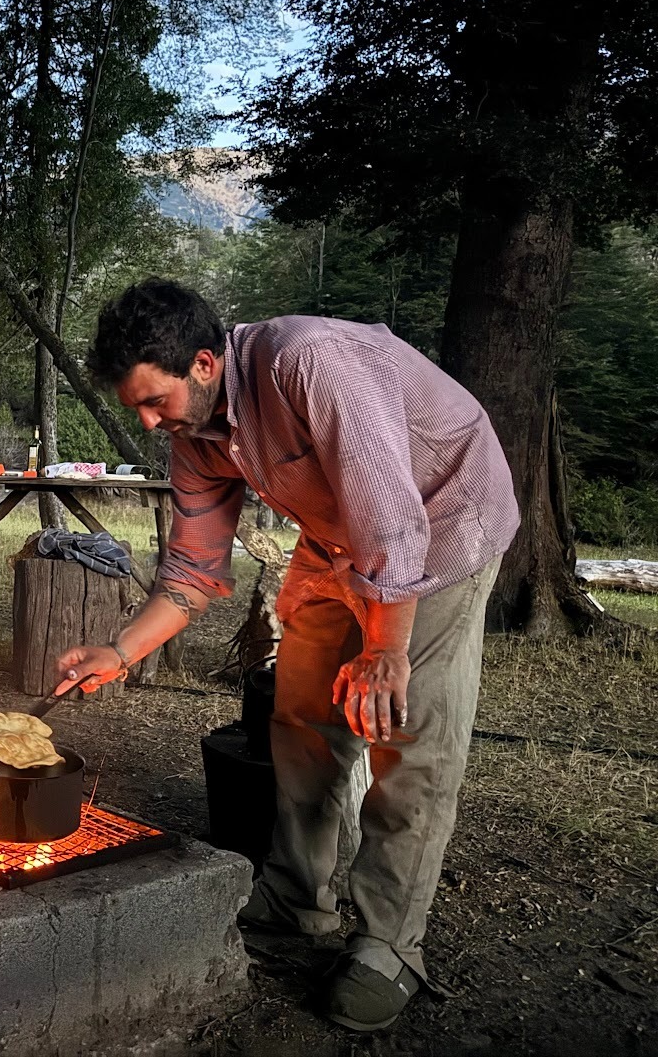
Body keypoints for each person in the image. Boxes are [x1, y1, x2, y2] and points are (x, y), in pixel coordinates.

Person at [55, 278, 518, 1033]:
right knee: (302, 711)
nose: (146, 422)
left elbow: (393, 524)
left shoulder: (311, 363)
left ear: (204, 364)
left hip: (442, 522)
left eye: (153, 402)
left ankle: (389, 946)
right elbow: (195, 572)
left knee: (407, 733)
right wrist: (118, 649)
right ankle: (299, 897)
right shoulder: (195, 437)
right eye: (134, 406)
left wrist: (385, 649)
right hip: (340, 539)